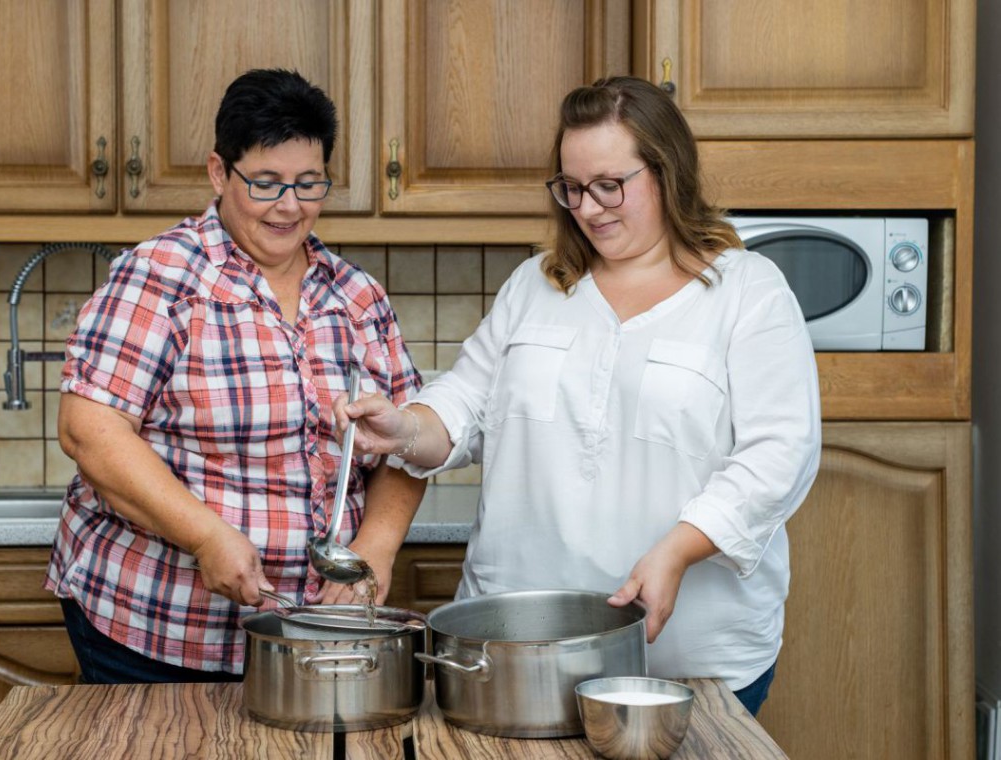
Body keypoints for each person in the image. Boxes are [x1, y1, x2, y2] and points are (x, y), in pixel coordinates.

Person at [338, 76, 821, 716]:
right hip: (520, 651)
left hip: (688, 662)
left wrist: (678, 549)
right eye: (572, 188)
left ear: (668, 172)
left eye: (609, 186)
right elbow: (466, 403)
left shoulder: (747, 292)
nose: (589, 208)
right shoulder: (536, 286)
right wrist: (405, 428)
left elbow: (780, 454)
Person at [44, 68, 426, 684]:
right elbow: (90, 431)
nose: (290, 206)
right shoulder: (161, 276)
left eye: (309, 184)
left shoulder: (358, 296)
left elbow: (408, 445)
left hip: (309, 632)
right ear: (220, 173)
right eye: (266, 183)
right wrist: (204, 537)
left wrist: (373, 553)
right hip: (156, 627)